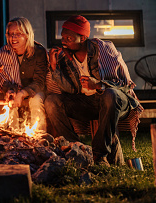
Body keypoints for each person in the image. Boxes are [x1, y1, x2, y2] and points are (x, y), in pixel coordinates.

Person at [44, 15, 143, 166]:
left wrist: (98, 85)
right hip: (88, 104)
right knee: (51, 101)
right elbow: (70, 89)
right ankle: (76, 149)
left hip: (116, 101)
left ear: (82, 38)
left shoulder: (103, 49)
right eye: (62, 37)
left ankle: (99, 156)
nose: (63, 41)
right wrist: (54, 67)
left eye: (68, 38)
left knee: (110, 95)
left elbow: (123, 84)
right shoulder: (65, 57)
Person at [0, 17, 48, 132]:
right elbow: (1, 78)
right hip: (15, 89)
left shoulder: (38, 52)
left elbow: (39, 82)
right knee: (10, 101)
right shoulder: (4, 52)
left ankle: (39, 137)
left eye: (18, 34)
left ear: (27, 35)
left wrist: (23, 93)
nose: (13, 37)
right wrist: (10, 90)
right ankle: (14, 139)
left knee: (36, 101)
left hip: (34, 91)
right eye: (10, 34)